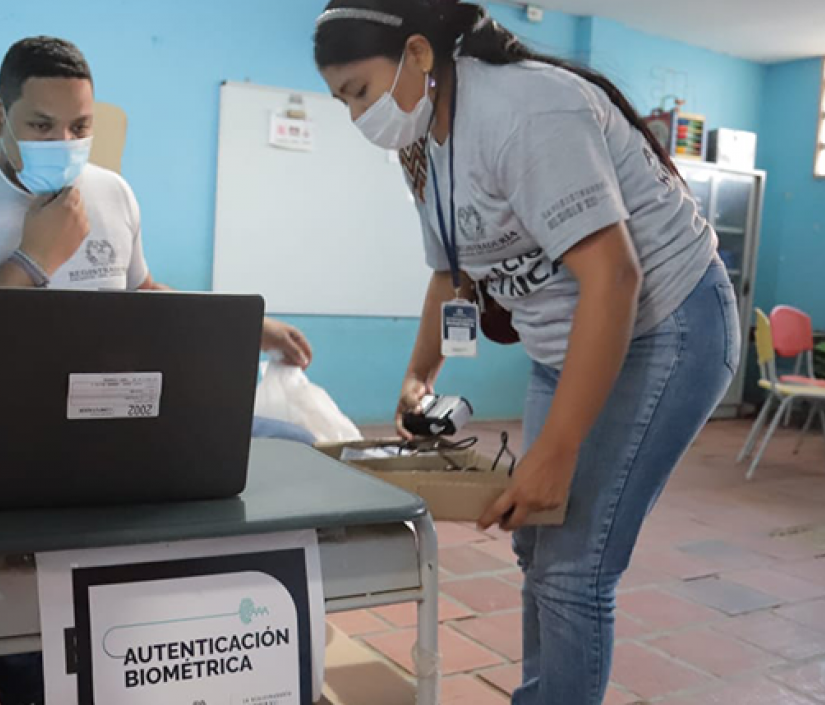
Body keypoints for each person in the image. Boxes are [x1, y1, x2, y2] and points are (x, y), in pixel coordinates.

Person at [314, 3, 739, 704]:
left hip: (665, 326)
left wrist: (559, 451)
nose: (359, 115)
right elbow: (451, 274)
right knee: (535, 540)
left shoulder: (526, 111)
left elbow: (615, 276)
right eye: (344, 102)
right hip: (563, 341)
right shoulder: (429, 143)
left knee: (574, 565)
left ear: (417, 54)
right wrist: (420, 373)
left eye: (359, 91)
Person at [0, 36, 315, 704]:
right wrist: (31, 262)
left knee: (293, 455)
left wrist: (254, 330)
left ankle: (218, 649)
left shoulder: (113, 193)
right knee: (38, 636)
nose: (65, 143)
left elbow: (140, 294)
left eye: (80, 127)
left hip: (115, 418)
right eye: (41, 126)